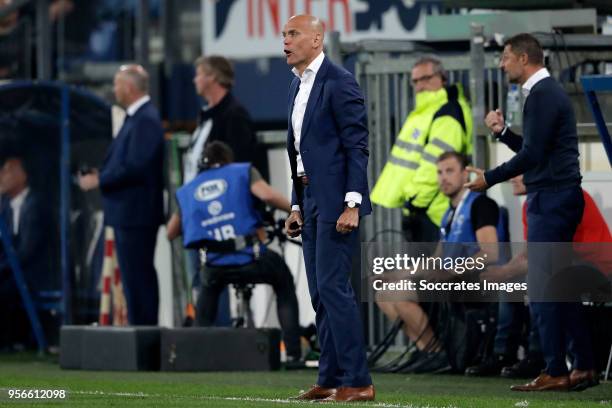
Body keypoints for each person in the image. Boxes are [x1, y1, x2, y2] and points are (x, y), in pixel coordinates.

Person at [466, 33, 596, 391]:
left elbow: (534, 157)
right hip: (558, 196)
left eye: (505, 57)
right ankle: (582, 366)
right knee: (559, 286)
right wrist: (504, 133)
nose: (501, 64)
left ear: (524, 58)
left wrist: (489, 178)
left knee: (543, 288)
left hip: (552, 200)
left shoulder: (542, 95)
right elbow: (537, 149)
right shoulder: (546, 93)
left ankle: (555, 370)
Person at [282, 14, 374, 402]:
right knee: (320, 294)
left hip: (337, 201)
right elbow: (300, 153)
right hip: (311, 199)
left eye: (293, 34)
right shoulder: (297, 85)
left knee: (335, 290)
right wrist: (295, 205)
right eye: (284, 34)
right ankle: (330, 377)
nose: (285, 41)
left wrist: (352, 202)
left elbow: (357, 145)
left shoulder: (339, 82)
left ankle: (358, 381)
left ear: (317, 39)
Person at [167, 141, 302, 364]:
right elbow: (267, 196)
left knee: (207, 291)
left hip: (215, 264)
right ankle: (294, 353)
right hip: (251, 258)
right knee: (283, 281)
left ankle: (196, 355)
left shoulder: (188, 190)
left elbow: (171, 232)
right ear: (228, 159)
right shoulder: (242, 172)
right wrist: (296, 209)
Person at [471, 174, 612, 380]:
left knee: (541, 279)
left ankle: (539, 357)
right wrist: (503, 274)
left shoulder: (563, 198)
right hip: (568, 266)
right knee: (513, 283)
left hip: (600, 270)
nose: (512, 179)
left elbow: (545, 257)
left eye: (519, 174)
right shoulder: (532, 204)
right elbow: (529, 254)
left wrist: (504, 272)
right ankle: (503, 354)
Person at [376, 152, 506, 373]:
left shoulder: (481, 204)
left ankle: (437, 354)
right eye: (439, 172)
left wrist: (452, 271)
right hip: (450, 281)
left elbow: (491, 253)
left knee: (397, 294)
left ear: (465, 173)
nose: (443, 178)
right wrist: (399, 274)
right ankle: (428, 352)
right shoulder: (448, 214)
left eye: (449, 171)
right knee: (384, 292)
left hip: (476, 282)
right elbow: (436, 261)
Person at [78, 64, 165, 326]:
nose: (114, 89)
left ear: (128, 87)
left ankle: (145, 335)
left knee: (138, 278)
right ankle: (140, 333)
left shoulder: (146, 119)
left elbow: (137, 165)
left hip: (136, 213)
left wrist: (99, 179)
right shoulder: (136, 118)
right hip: (128, 213)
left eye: (116, 84)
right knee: (133, 279)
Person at [370, 56, 473, 243]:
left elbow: (438, 163)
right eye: (415, 81)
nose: (420, 85)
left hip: (433, 211)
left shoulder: (447, 111)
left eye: (426, 78)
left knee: (433, 270)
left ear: (442, 78)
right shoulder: (425, 111)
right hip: (422, 208)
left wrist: (416, 200)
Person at [0, 152, 56, 348]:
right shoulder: (4, 206)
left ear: (22, 176)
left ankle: (10, 340)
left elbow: (28, 251)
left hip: (33, 273)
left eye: (7, 171)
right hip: (11, 271)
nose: (1, 176)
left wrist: (3, 268)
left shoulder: (36, 204)